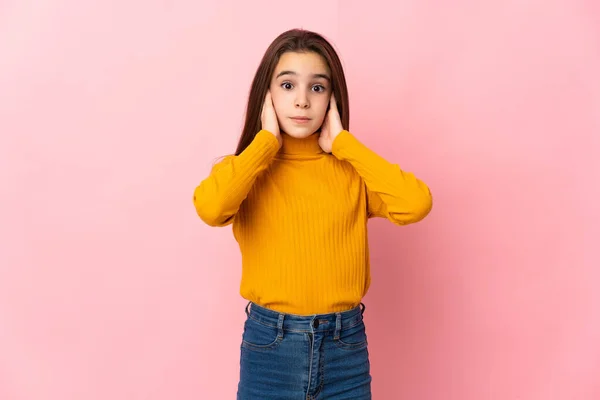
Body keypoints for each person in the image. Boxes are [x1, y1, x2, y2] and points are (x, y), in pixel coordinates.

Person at [193, 28, 432, 400]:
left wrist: (344, 144)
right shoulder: (246, 171)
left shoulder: (351, 171)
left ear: (332, 99)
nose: (302, 101)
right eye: (287, 86)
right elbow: (210, 209)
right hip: (270, 348)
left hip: (345, 349)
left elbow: (415, 203)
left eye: (317, 88)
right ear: (267, 95)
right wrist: (265, 143)